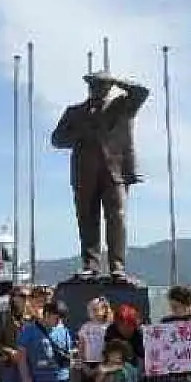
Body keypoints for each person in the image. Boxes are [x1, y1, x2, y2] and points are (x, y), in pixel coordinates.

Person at [50, 71, 150, 279]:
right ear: (89, 87)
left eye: (104, 85)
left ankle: (117, 266)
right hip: (84, 174)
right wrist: (81, 132)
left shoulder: (122, 106)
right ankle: (91, 265)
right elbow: (57, 139)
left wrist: (118, 80)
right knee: (87, 219)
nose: (98, 88)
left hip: (115, 173)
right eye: (95, 84)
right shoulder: (74, 112)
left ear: (110, 87)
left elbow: (141, 92)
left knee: (117, 218)